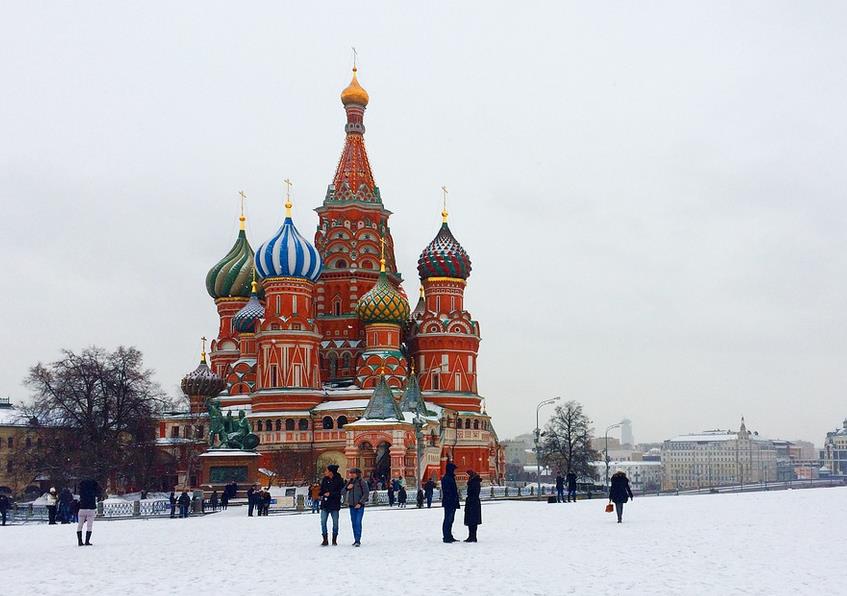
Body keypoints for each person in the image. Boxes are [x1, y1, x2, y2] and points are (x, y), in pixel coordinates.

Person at [344, 467, 369, 547]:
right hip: (352, 506)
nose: (350, 474)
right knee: (354, 523)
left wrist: (360, 503)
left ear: (357, 474)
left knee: (358, 522)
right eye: (350, 473)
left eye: (352, 473)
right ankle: (356, 539)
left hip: (359, 506)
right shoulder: (349, 482)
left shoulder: (362, 482)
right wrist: (348, 488)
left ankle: (358, 540)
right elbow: (342, 491)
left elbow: (366, 493)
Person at [319, 464, 344, 546]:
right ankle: (325, 539)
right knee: (323, 522)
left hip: (334, 505)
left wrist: (330, 494)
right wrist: (321, 493)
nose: (325, 472)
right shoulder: (325, 480)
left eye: (326, 470)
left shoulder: (339, 480)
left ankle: (334, 539)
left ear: (331, 472)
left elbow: (340, 492)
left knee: (335, 523)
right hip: (325, 504)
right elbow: (321, 490)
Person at [441, 462, 460, 543]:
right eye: (454, 470)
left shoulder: (450, 477)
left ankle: (449, 535)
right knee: (448, 519)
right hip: (450, 502)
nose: (455, 471)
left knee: (450, 519)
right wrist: (453, 497)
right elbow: (448, 491)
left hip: (451, 501)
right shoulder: (447, 478)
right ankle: (446, 536)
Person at [76, 478, 100, 546]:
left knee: (80, 525)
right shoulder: (93, 490)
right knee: (89, 526)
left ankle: (80, 541)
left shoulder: (82, 491)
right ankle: (87, 541)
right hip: (91, 509)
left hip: (82, 508)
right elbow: (98, 494)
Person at [463, 469, 482, 542]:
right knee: (473, 520)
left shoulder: (473, 482)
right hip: (474, 502)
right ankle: (472, 536)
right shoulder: (475, 481)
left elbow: (473, 492)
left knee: (471, 520)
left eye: (467, 475)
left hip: (472, 503)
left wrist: (470, 498)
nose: (466, 476)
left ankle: (472, 536)